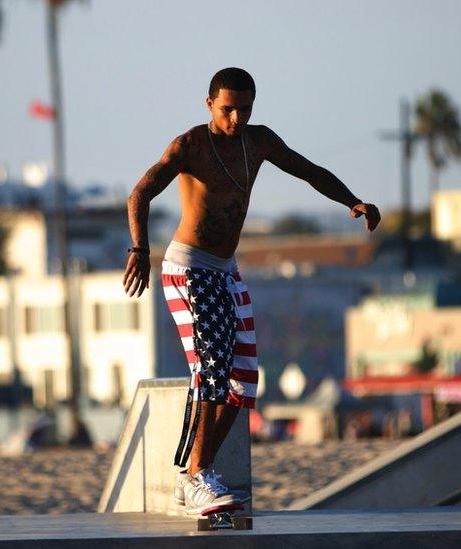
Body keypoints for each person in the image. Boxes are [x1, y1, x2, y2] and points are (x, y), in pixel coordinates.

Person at [124, 67, 380, 515]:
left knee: (243, 380)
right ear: (209, 105)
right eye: (228, 110)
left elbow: (307, 170)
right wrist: (140, 248)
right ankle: (196, 474)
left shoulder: (258, 141)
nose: (237, 119)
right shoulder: (191, 145)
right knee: (212, 368)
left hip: (226, 271)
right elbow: (141, 192)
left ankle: (196, 476)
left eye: (245, 109)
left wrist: (352, 201)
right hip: (188, 268)